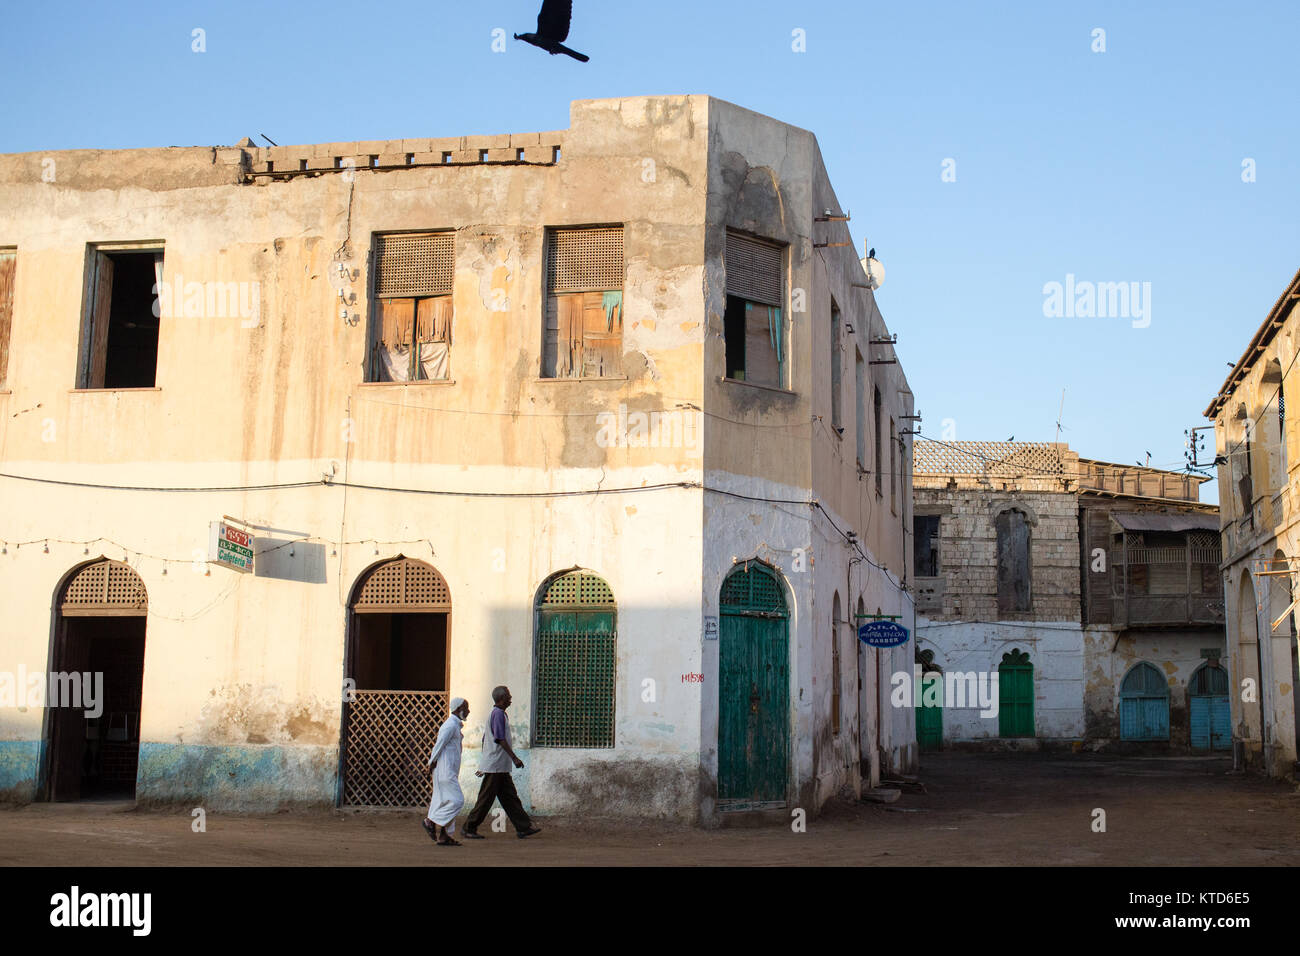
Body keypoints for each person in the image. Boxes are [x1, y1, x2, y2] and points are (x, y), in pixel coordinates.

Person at [462, 686, 541, 840]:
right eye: (509, 696)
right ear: (502, 698)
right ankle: (469, 827)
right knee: (486, 799)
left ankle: (523, 827)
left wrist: (485, 761)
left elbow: (486, 739)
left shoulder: (498, 714)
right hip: (496, 766)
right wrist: (515, 758)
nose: (511, 699)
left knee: (510, 797)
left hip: (498, 765)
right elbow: (499, 739)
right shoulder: (498, 714)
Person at [423, 697, 469, 846]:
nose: (468, 711)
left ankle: (444, 836)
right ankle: (430, 821)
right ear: (457, 709)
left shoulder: (455, 726)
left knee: (444, 802)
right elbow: (439, 745)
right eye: (466, 708)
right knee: (457, 800)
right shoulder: (449, 726)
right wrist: (430, 763)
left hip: (448, 770)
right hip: (445, 771)